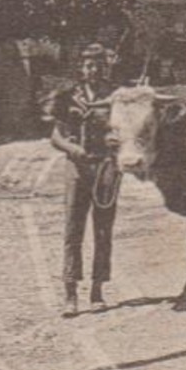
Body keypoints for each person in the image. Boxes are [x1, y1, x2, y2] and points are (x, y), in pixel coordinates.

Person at [48, 41, 123, 318]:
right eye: (89, 65)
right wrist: (72, 149)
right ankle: (70, 294)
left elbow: (129, 129)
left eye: (99, 65)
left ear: (106, 67)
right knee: (72, 230)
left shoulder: (116, 96)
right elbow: (55, 136)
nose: (94, 70)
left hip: (106, 168)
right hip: (77, 170)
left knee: (103, 230)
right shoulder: (68, 96)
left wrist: (118, 141)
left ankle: (97, 291)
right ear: (81, 67)